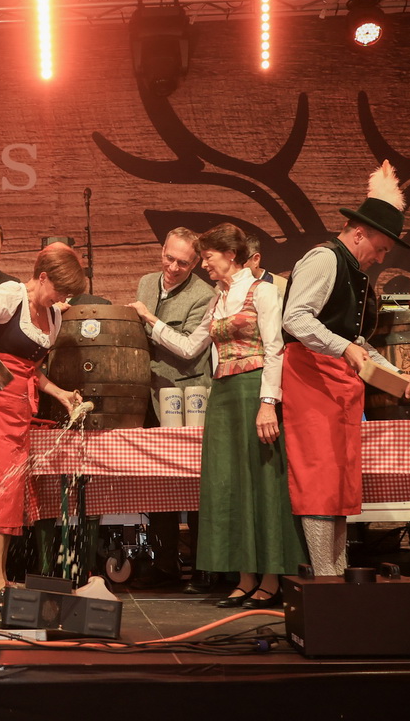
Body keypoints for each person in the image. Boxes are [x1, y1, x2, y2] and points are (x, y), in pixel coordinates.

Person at [131, 223, 306, 609]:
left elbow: (275, 350)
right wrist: (149, 319)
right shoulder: (219, 299)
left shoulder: (262, 291)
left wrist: (268, 403)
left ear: (230, 255)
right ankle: (244, 578)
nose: (205, 265)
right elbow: (189, 346)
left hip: (253, 389)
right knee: (228, 484)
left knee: (261, 482)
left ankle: (271, 579)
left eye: (208, 258)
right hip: (223, 394)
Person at [282, 161, 410, 576]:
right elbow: (296, 318)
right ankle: (325, 576)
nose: (380, 258)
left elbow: (356, 343)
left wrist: (397, 377)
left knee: (339, 484)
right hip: (311, 380)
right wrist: (343, 347)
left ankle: (338, 573)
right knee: (320, 481)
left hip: (338, 386)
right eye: (380, 248)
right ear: (359, 233)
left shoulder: (355, 272)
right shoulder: (325, 259)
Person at [0, 244, 87, 595]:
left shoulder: (53, 316)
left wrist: (61, 394)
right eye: (60, 290)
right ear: (43, 277)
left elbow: (32, 371)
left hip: (16, 404)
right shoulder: (10, 295)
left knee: (8, 490)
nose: (62, 299)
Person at [134, 227, 215, 590]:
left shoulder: (204, 295)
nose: (173, 267)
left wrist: (150, 320)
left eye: (183, 262)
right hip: (149, 396)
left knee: (196, 487)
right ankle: (163, 565)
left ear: (196, 263)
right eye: (169, 257)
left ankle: (204, 567)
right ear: (162, 249)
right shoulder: (146, 282)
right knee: (158, 486)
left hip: (188, 398)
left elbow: (189, 348)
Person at [245, 235, 289, 300]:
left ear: (256, 259)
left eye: (240, 261)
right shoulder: (230, 288)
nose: (234, 266)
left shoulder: (283, 288)